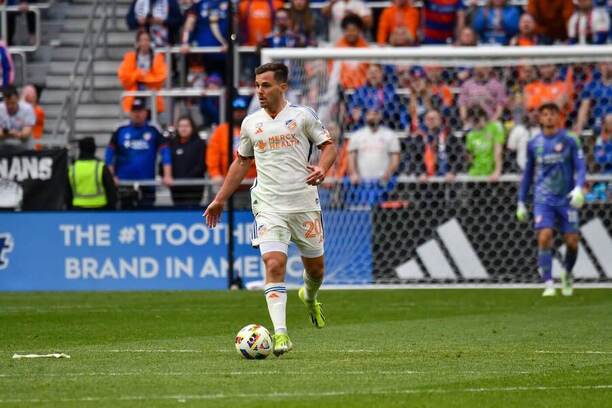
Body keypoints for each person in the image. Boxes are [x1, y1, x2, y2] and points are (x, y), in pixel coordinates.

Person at [204, 62, 337, 356]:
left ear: (282, 87)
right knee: (274, 264)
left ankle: (309, 297)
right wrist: (220, 199)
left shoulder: (302, 117)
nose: (260, 91)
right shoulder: (251, 123)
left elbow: (329, 146)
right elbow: (241, 162)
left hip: (304, 204)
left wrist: (323, 168)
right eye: (257, 85)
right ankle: (280, 335)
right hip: (268, 205)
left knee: (316, 270)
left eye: (265, 85)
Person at [516, 102, 586, 297]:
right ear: (539, 118)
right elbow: (528, 174)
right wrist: (521, 201)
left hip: (566, 198)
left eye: (552, 114)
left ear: (558, 117)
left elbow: (580, 167)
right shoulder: (534, 144)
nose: (548, 117)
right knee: (545, 235)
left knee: (572, 241)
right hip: (543, 198)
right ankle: (548, 282)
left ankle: (568, 273)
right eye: (544, 114)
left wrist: (579, 187)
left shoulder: (569, 140)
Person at [105, 98, 173, 208]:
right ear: (130, 113)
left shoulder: (153, 129)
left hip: (147, 183)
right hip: (124, 183)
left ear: (146, 112)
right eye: (134, 111)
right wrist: (111, 175)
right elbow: (109, 154)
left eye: (140, 111)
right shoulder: (120, 130)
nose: (137, 114)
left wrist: (167, 175)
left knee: (147, 215)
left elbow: (165, 152)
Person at [206, 97, 257, 209]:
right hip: (230, 186)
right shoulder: (221, 130)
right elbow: (212, 155)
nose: (238, 114)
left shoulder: (254, 129)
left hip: (254, 185)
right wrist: (215, 174)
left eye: (241, 111)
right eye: (236, 111)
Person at [347, 106, 400, 206]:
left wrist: (388, 172)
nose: (372, 117)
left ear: (380, 116)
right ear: (365, 116)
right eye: (369, 114)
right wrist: (353, 173)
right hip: (362, 181)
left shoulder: (390, 135)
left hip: (383, 181)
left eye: (375, 114)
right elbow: (351, 157)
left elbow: (395, 158)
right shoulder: (357, 136)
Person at [118, 30, 168, 114]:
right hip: (133, 98)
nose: (145, 43)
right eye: (142, 40)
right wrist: (139, 74)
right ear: (137, 42)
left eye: (147, 40)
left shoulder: (158, 58)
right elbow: (124, 78)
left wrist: (142, 77)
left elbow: (160, 79)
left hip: (152, 99)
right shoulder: (129, 57)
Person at [407, 109, 463, 180]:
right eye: (428, 119)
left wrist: (452, 172)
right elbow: (413, 158)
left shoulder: (449, 136)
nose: (431, 121)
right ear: (424, 121)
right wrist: (420, 173)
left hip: (447, 177)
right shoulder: (419, 138)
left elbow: (459, 156)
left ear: (440, 120)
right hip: (425, 178)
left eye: (434, 118)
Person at [67, 137, 117, 210]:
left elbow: (67, 193)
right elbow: (111, 191)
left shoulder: (72, 168)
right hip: (100, 208)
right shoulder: (101, 167)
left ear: (80, 149)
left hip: (78, 209)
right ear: (94, 149)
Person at [168, 116, 206, 206]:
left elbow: (201, 165)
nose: (183, 129)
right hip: (176, 188)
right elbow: (165, 163)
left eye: (186, 126)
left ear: (192, 127)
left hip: (194, 188)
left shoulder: (200, 143)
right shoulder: (172, 144)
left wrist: (186, 180)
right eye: (181, 126)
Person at [465, 104, 505, 180]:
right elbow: (470, 156)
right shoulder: (470, 134)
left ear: (483, 117)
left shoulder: (494, 127)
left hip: (491, 173)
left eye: (477, 120)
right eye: (472, 121)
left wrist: (497, 170)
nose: (475, 124)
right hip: (475, 174)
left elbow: (498, 151)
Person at [0, 85, 35, 152]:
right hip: (2, 148)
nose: (10, 106)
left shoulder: (27, 109)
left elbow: (26, 133)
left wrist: (7, 133)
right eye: (7, 103)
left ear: (18, 99)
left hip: (23, 148)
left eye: (13, 103)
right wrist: (13, 133)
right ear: (4, 100)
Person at [21, 84, 44, 150]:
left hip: (34, 147)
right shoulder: (23, 109)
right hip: (22, 146)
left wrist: (21, 101)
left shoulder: (39, 111)